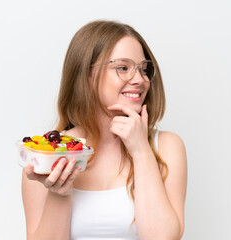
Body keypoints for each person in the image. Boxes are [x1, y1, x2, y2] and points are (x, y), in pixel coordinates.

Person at [22, 20, 187, 240]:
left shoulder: (166, 146)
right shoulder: (45, 155)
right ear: (86, 76)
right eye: (123, 68)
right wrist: (59, 194)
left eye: (144, 69)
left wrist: (141, 151)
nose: (139, 79)